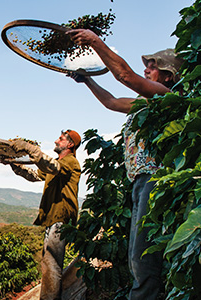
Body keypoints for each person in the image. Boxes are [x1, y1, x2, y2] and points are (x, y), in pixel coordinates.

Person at [66, 28, 184, 300]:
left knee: (142, 260)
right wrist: (87, 81)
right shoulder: (144, 104)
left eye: (153, 67)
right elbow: (111, 102)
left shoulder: (166, 97)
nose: (147, 70)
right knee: (137, 255)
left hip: (154, 180)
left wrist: (94, 41)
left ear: (168, 76)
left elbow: (125, 76)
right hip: (140, 182)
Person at [6, 130, 81, 300]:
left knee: (52, 265)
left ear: (70, 145)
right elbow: (33, 175)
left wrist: (29, 149)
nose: (56, 141)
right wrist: (13, 163)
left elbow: (52, 167)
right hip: (53, 218)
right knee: (48, 263)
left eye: (60, 139)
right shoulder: (55, 163)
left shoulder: (71, 162)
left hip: (61, 217)